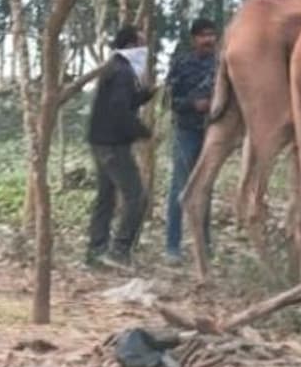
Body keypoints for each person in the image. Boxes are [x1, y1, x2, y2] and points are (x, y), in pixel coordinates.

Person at [85, 24, 156, 269]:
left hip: (99, 141)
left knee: (105, 197)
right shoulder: (123, 72)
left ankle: (96, 250)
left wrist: (145, 95)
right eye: (142, 44)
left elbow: (121, 102)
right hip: (113, 145)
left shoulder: (113, 67)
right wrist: (143, 131)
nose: (144, 50)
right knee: (136, 197)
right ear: (131, 45)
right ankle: (119, 251)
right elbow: (119, 111)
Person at [164, 17, 218, 263]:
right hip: (186, 131)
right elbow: (169, 100)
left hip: (211, 133)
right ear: (194, 39)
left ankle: (204, 244)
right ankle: (172, 246)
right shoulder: (181, 63)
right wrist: (193, 104)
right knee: (181, 187)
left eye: (212, 34)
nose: (209, 40)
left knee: (205, 188)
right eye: (204, 35)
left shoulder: (221, 63)